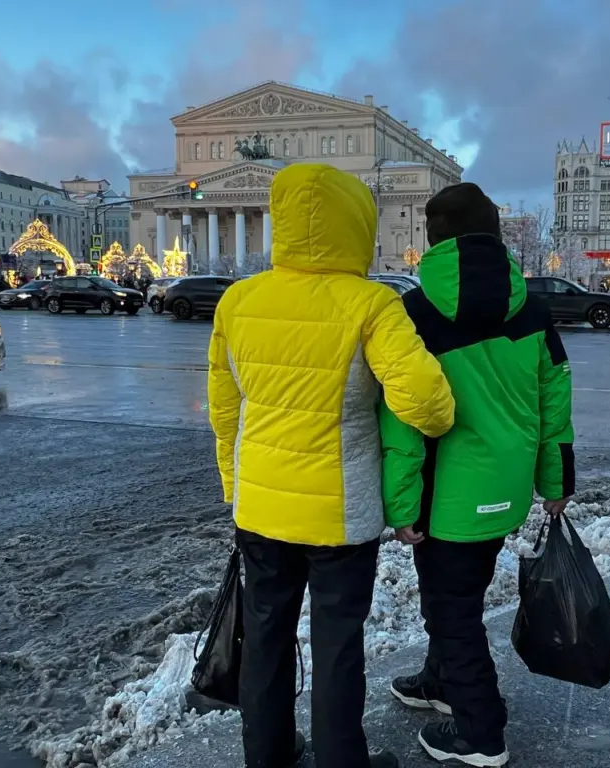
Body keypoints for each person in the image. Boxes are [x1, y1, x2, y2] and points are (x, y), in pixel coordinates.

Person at [207, 163, 455, 768]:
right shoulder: (371, 303)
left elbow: (224, 410)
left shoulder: (239, 301)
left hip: (262, 509)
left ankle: (265, 754)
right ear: (357, 224)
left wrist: (235, 487)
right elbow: (428, 402)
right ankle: (342, 759)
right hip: (341, 516)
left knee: (265, 636)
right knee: (338, 642)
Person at [381, 182, 575, 766]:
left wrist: (402, 505)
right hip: (505, 491)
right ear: (494, 236)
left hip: (447, 500)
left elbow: (403, 422)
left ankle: (480, 730)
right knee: (454, 598)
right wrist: (556, 484)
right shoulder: (534, 309)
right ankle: (442, 681)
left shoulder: (414, 313)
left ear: (433, 241)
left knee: (452, 610)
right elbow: (554, 400)